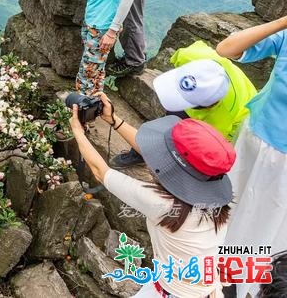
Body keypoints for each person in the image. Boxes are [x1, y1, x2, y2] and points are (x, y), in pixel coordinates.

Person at [70, 92, 235, 297]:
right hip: (196, 286)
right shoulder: (212, 196)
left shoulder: (162, 205)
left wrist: (77, 131)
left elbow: (100, 172)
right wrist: (113, 120)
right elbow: (152, 154)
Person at [216, 15, 287, 298]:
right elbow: (227, 48)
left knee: (267, 226)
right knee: (231, 210)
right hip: (253, 143)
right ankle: (217, 275)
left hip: (283, 165)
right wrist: (283, 21)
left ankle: (252, 288)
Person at [111, 40, 257, 168]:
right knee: (166, 122)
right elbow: (179, 59)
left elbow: (214, 149)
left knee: (190, 143)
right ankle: (140, 153)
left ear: (207, 107)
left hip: (236, 114)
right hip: (210, 96)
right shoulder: (191, 56)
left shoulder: (227, 117)